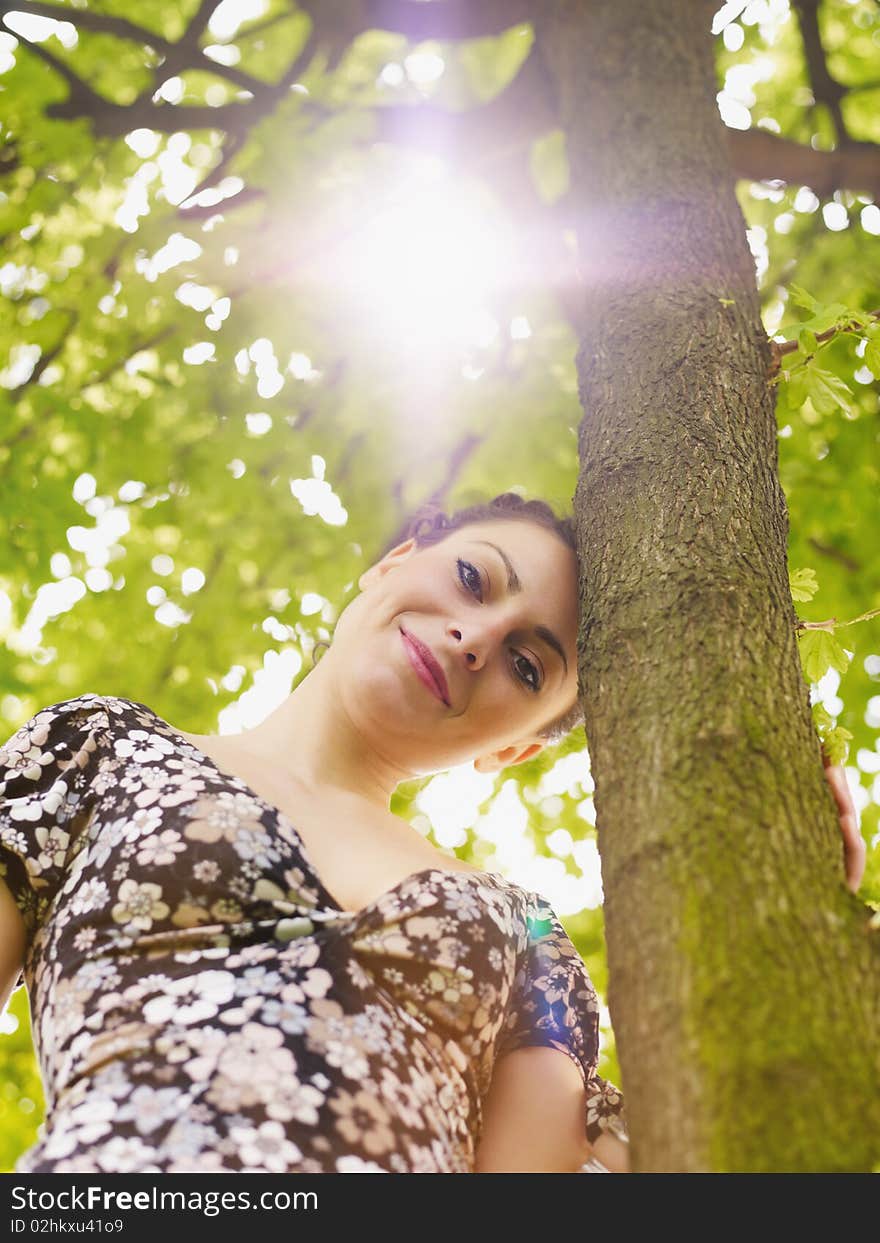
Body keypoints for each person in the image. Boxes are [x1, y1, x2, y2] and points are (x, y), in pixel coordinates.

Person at [0, 492, 864, 1174]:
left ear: (516, 748)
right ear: (390, 565)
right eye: (475, 579)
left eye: (530, 664)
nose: (476, 635)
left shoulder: (528, 933)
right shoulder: (96, 747)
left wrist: (777, 916)